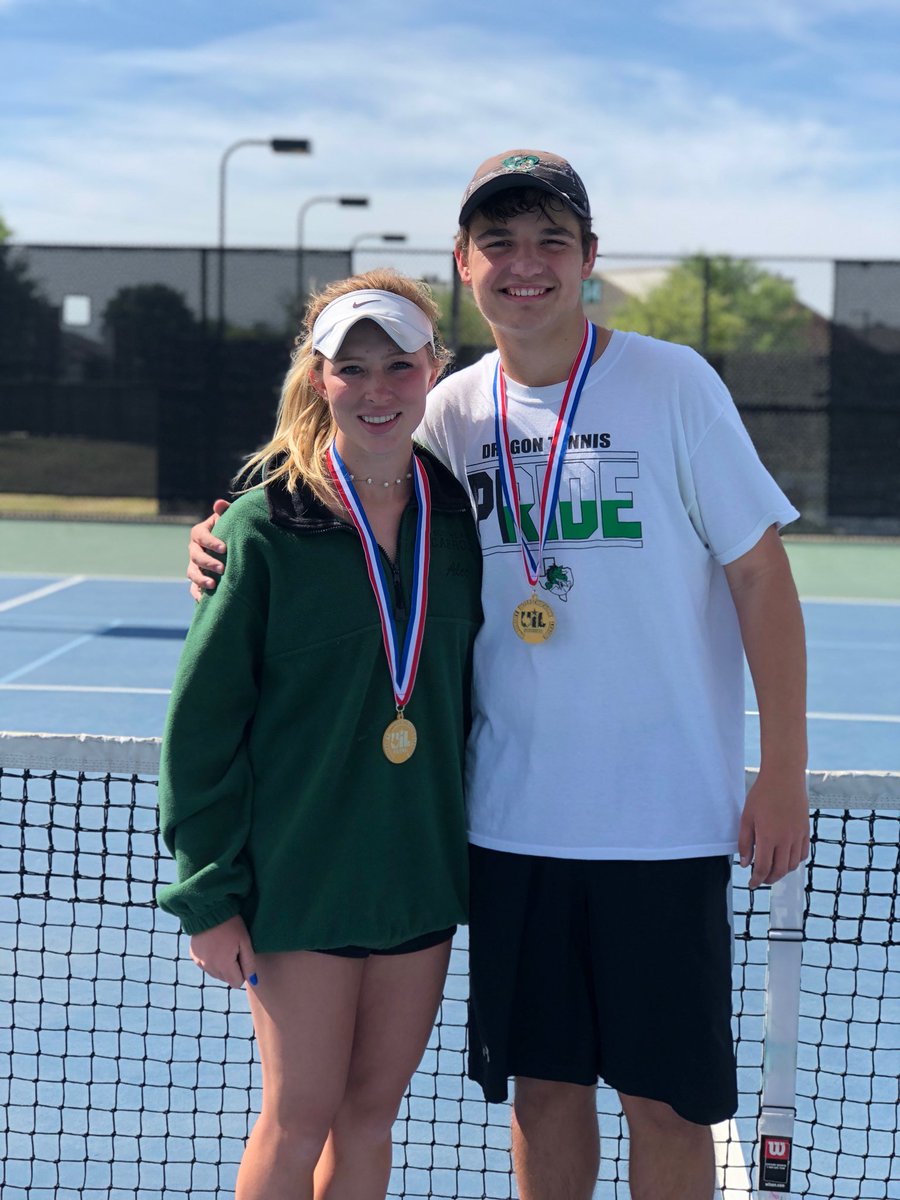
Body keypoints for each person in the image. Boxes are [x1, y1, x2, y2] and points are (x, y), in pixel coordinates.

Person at [187, 151, 809, 1200]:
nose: (527, 264)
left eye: (551, 241)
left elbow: (759, 574)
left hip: (665, 830)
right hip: (507, 834)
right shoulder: (449, 410)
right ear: (464, 263)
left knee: (668, 1106)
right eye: (500, 243)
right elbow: (338, 473)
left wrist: (783, 770)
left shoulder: (674, 384)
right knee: (544, 1096)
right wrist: (219, 534)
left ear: (590, 259)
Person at [159, 269, 482, 1200]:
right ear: (318, 378)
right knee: (299, 1116)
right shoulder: (260, 530)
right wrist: (209, 894)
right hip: (301, 875)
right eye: (353, 368)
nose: (378, 390)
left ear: (432, 371)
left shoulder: (464, 522)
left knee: (371, 1116)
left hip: (419, 873)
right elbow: (202, 727)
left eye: (399, 366)